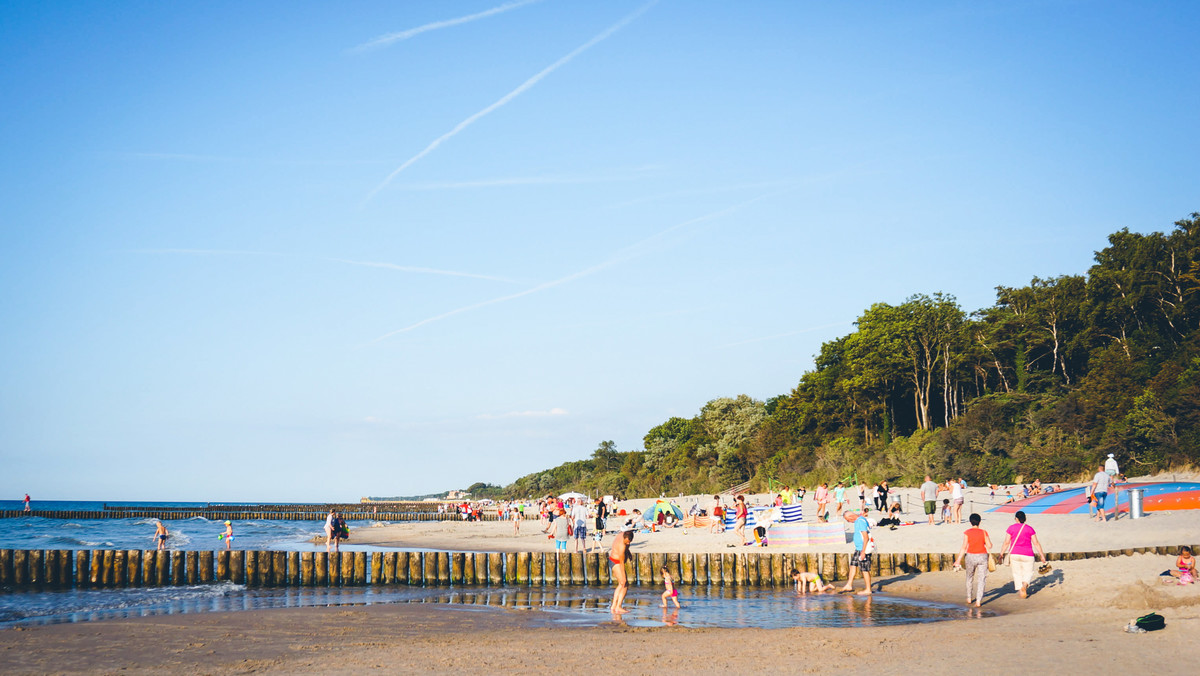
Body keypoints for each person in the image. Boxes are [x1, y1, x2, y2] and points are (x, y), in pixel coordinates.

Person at [999, 510, 1046, 599]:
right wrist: (1042, 555)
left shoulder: (1011, 528)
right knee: (1028, 572)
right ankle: (1024, 586)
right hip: (1028, 554)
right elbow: (1036, 543)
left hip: (1015, 554)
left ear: (1016, 519)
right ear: (1025, 519)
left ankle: (1021, 589)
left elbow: (1006, 542)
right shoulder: (1030, 529)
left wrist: (1001, 554)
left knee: (1017, 573)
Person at [953, 513, 993, 607]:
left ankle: (969, 597)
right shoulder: (984, 532)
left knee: (969, 577)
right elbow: (989, 546)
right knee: (981, 579)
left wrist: (958, 560)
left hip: (970, 556)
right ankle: (978, 601)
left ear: (970, 522)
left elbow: (964, 547)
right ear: (979, 522)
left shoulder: (967, 532)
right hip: (982, 556)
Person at [841, 507, 874, 595]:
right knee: (853, 565)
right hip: (858, 548)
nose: (848, 521)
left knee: (864, 569)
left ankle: (868, 589)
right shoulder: (860, 520)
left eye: (847, 519)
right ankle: (849, 584)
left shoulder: (860, 521)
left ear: (851, 517)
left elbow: (865, 537)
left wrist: (863, 552)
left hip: (864, 549)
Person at [609, 528, 635, 614]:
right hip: (616, 562)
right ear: (624, 538)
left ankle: (614, 606)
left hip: (613, 560)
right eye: (626, 542)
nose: (627, 543)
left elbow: (626, 546)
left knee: (621, 584)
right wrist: (624, 577)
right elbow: (621, 564)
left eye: (629, 542)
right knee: (624, 584)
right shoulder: (622, 547)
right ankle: (618, 606)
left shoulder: (622, 534)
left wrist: (628, 552)